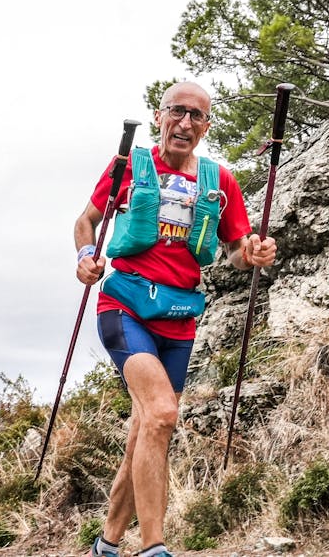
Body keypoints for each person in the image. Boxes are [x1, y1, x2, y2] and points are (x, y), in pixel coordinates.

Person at [74, 82, 277, 557]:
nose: (185, 123)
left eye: (197, 116)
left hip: (180, 318)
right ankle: (154, 547)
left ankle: (106, 543)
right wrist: (86, 255)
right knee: (163, 413)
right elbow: (86, 220)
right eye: (177, 112)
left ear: (207, 127)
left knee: (146, 426)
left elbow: (235, 252)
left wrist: (256, 252)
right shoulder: (128, 165)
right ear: (159, 115)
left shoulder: (219, 180)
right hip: (124, 306)